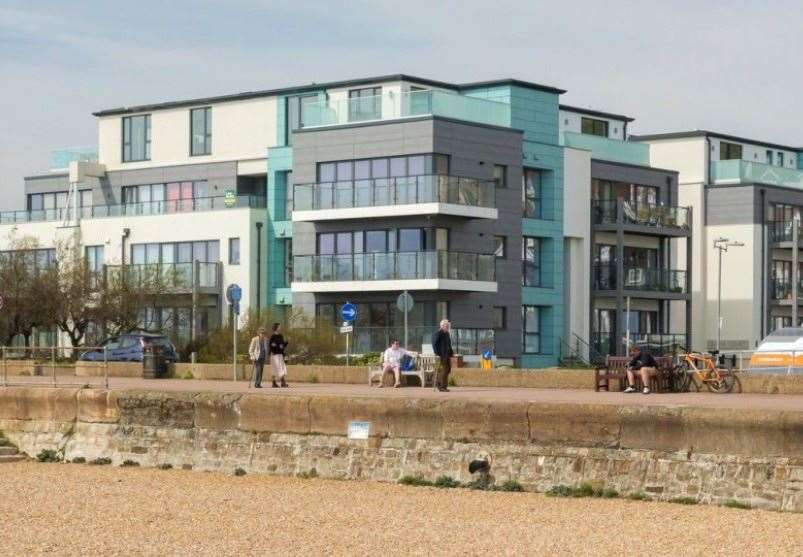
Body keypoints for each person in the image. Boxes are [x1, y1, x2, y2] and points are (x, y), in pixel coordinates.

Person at [431, 319, 454, 392]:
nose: (448, 327)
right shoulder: (438, 333)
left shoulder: (447, 333)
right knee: (444, 369)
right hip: (441, 354)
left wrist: (451, 353)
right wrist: (437, 353)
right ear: (442, 326)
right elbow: (434, 344)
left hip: (447, 354)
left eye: (448, 325)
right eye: (446, 325)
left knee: (448, 369)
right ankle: (442, 386)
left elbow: (449, 345)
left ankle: (440, 384)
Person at [269, 322, 289, 388]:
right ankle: (274, 383)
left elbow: (282, 345)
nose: (280, 327)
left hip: (280, 354)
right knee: (274, 368)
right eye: (279, 326)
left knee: (282, 367)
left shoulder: (281, 336)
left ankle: (282, 382)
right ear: (276, 328)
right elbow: (271, 345)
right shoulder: (272, 336)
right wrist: (277, 346)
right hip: (274, 355)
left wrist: (287, 342)